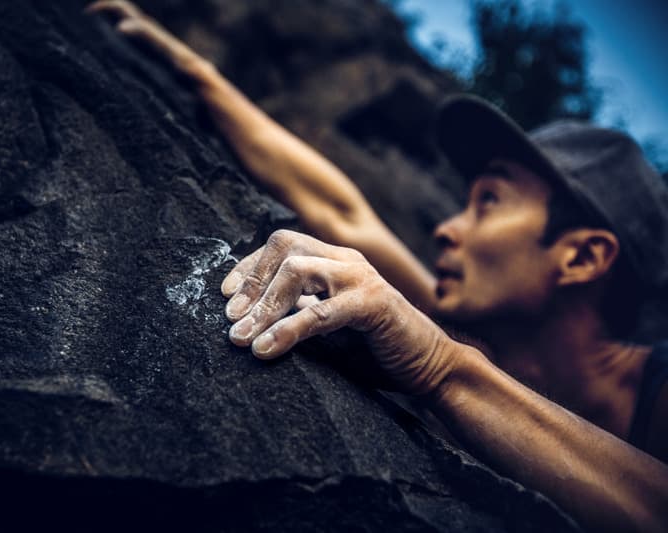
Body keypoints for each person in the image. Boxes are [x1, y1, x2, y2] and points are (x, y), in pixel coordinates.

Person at [86, 2, 668, 531]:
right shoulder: (479, 339)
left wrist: (441, 366)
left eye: (489, 201)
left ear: (582, 257)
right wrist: (195, 73)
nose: (446, 227)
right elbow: (341, 209)